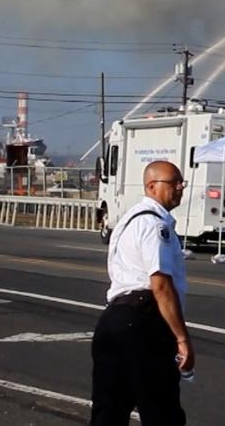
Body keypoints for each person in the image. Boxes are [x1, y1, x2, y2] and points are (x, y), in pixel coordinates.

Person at [90, 160, 194, 426]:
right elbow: (160, 285)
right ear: (152, 186)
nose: (181, 187)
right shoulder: (154, 225)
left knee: (109, 410)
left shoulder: (128, 220)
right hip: (143, 322)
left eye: (181, 182)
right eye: (174, 183)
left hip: (114, 319)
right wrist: (181, 338)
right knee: (161, 411)